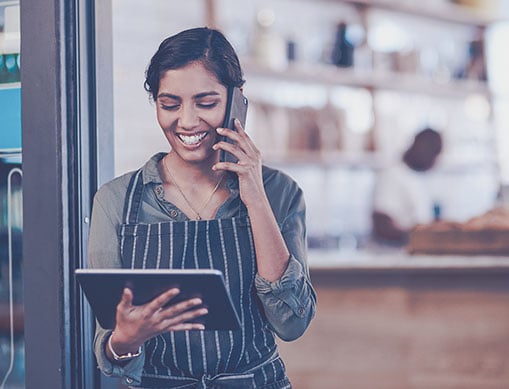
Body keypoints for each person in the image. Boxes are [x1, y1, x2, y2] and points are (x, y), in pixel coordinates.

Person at [87, 27, 316, 388]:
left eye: (206, 103)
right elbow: (110, 354)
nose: (187, 121)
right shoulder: (116, 201)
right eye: (170, 104)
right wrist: (126, 341)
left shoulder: (280, 192)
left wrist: (255, 197)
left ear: (236, 101)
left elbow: (291, 322)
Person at [371, 127, 443, 244]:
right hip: (392, 256)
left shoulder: (415, 178)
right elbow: (382, 224)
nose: (435, 161)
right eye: (434, 154)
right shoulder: (392, 174)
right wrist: (418, 236)